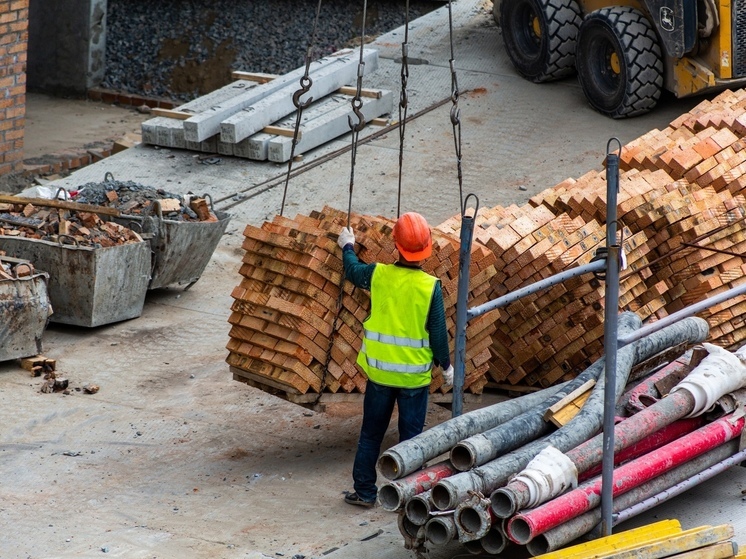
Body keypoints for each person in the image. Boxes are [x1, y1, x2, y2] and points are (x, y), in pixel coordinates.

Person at [337, 212, 454, 507]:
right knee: (411, 440)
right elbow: (438, 332)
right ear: (427, 249)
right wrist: (447, 365)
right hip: (414, 379)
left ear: (396, 246)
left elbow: (353, 271)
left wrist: (347, 246)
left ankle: (364, 492)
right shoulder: (430, 286)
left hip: (380, 375)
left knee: (371, 435)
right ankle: (407, 496)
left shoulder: (378, 274)